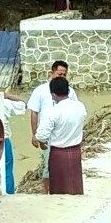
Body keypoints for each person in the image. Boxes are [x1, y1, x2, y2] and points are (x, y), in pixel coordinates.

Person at [28, 60, 79, 194]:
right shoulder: (40, 91)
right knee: (48, 166)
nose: (61, 77)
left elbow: (75, 111)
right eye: (59, 74)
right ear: (51, 73)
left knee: (66, 166)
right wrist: (35, 135)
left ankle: (66, 191)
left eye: (64, 75)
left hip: (65, 134)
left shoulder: (70, 92)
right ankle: (47, 192)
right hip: (47, 135)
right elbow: (34, 112)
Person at [34, 76, 87, 195]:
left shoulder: (52, 112)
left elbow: (41, 135)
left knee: (59, 188)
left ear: (53, 95)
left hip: (58, 154)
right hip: (75, 151)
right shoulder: (80, 106)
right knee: (74, 185)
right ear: (68, 91)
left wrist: (41, 142)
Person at [0, 93, 27, 195]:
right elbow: (24, 104)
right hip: (3, 141)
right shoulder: (4, 103)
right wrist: (7, 96)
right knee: (7, 168)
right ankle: (8, 192)